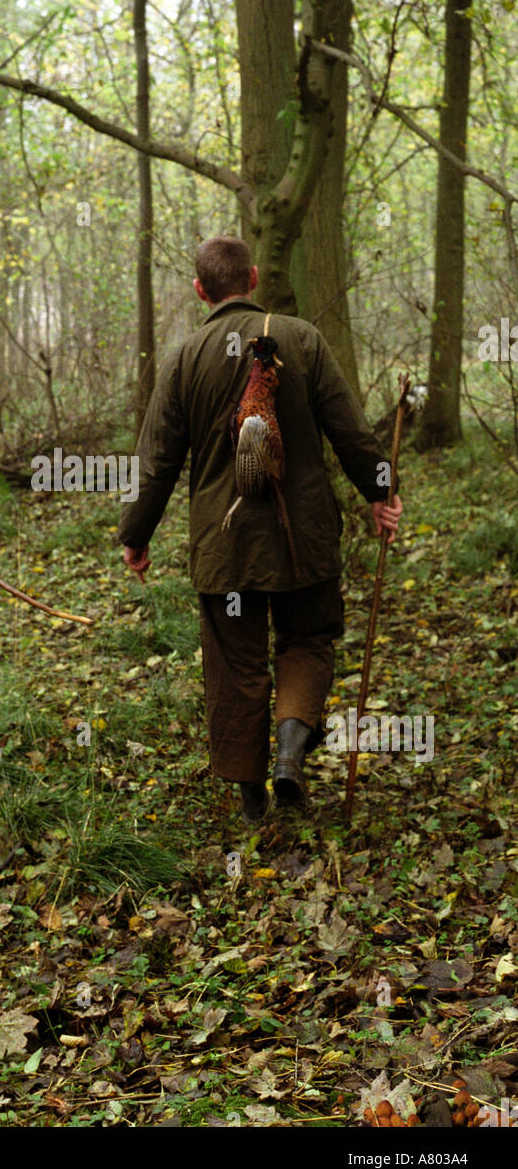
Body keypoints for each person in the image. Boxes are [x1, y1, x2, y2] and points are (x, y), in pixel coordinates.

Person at [117, 236, 403, 824]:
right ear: (252, 277)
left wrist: (135, 533)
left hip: (226, 549)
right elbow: (352, 432)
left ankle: (252, 803)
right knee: (306, 640)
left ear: (201, 290)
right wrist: (381, 491)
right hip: (304, 540)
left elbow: (156, 462)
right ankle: (290, 758)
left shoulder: (183, 358)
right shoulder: (302, 339)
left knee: (234, 666)